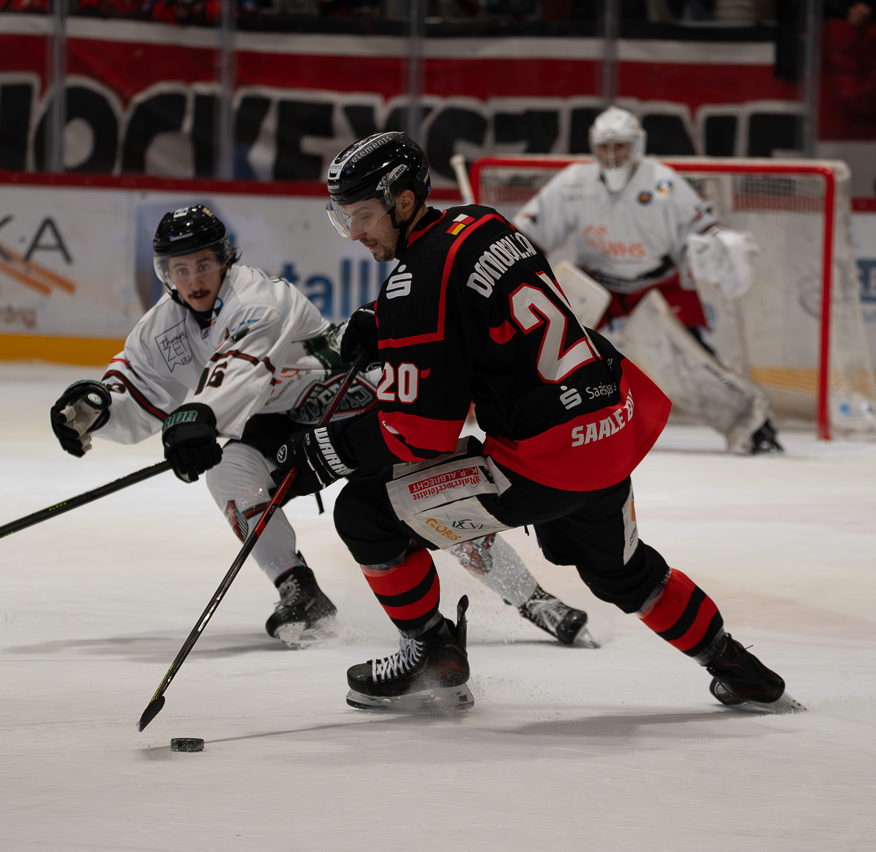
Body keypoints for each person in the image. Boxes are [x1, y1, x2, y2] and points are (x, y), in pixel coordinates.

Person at [270, 131, 795, 713]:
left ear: (404, 200)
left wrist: (328, 448)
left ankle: (430, 653)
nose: (356, 232)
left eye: (364, 215)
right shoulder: (482, 222)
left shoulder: (414, 285)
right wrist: (385, 323)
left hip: (546, 458)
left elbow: (420, 434)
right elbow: (473, 308)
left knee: (365, 512)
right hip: (609, 425)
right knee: (623, 572)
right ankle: (737, 667)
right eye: (344, 218)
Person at [48, 205, 590, 647]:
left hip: (349, 401)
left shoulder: (260, 296)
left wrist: (199, 414)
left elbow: (243, 364)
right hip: (274, 427)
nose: (193, 279)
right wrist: (97, 408)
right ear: (165, 274)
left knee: (423, 497)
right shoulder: (161, 325)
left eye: (203, 264)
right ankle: (299, 591)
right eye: (180, 269)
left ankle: (532, 598)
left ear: (225, 260)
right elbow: (136, 385)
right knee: (228, 473)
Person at [512, 106, 782, 456]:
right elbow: (529, 234)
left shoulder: (663, 181)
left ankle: (754, 425)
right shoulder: (573, 183)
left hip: (657, 286)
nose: (612, 154)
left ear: (637, 145)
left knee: (694, 363)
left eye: (620, 146)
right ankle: (538, 429)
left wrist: (717, 240)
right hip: (597, 288)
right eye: (604, 146)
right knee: (556, 357)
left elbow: (701, 225)